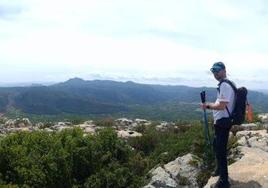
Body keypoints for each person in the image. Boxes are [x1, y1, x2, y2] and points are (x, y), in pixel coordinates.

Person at [201, 62, 235, 188]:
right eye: (213, 71)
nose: (215, 73)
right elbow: (221, 103)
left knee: (220, 151)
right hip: (220, 123)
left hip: (223, 123)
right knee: (216, 146)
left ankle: (224, 181)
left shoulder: (225, 85)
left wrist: (207, 106)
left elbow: (221, 106)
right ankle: (220, 169)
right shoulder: (224, 85)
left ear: (224, 70)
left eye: (217, 70)